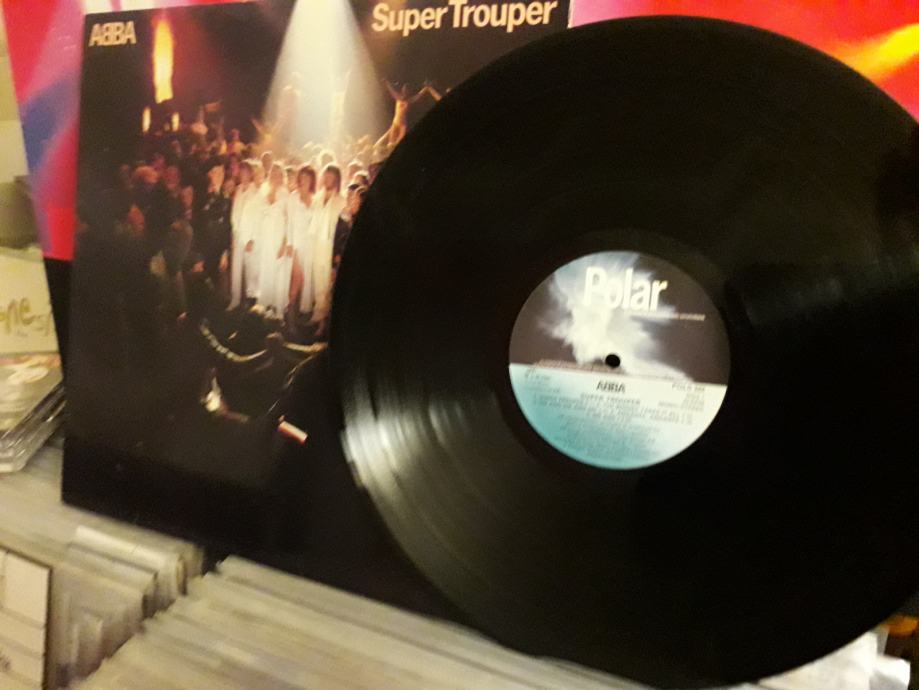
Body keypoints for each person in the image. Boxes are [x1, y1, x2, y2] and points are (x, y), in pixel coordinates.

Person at [309, 164, 345, 334]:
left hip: (330, 247)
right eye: (326, 176)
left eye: (332, 177)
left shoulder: (341, 201)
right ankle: (318, 317)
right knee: (318, 281)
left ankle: (325, 322)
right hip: (317, 245)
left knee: (327, 284)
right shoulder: (317, 198)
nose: (328, 179)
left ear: (336, 179)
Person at [257, 163, 290, 313]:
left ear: (282, 177)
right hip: (265, 237)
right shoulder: (263, 191)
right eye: (273, 174)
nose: (275, 177)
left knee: (278, 273)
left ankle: (278, 310)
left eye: (278, 174)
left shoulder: (285, 194)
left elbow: (289, 220)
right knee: (265, 271)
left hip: (278, 237)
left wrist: (284, 243)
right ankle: (265, 306)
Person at [288, 165, 317, 315]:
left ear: (312, 180)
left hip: (310, 245)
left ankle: (299, 313)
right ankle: (288, 314)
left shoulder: (316, 199)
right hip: (295, 244)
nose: (304, 180)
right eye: (302, 176)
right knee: (297, 278)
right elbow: (288, 223)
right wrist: (290, 245)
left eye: (307, 177)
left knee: (305, 280)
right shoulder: (293, 197)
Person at [377, 80, 427, 150]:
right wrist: (386, 83)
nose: (405, 92)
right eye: (404, 90)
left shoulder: (409, 100)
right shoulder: (398, 97)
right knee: (391, 142)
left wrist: (425, 89)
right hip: (395, 122)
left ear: (409, 92)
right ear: (402, 90)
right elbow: (391, 90)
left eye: (407, 91)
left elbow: (418, 95)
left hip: (402, 125)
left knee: (398, 142)